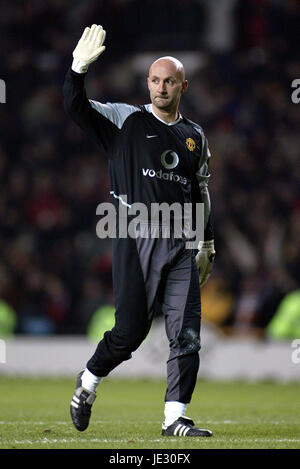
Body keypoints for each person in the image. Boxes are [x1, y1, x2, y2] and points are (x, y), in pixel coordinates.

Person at [64, 24, 216, 437]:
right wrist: (77, 70)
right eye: (154, 80)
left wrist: (206, 239)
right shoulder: (124, 120)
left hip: (183, 241)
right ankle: (90, 380)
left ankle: (175, 419)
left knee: (186, 332)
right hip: (134, 235)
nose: (160, 87)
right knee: (129, 333)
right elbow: (76, 108)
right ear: (147, 83)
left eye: (169, 81)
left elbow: (200, 190)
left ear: (183, 85)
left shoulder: (195, 136)